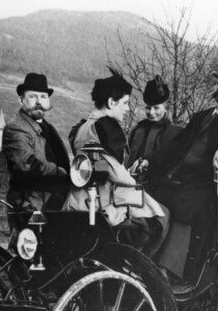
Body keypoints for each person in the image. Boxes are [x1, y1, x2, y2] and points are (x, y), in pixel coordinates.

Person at [144, 61, 218, 280]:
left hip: (208, 184)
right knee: (151, 200)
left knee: (183, 206)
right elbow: (176, 146)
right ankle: (145, 263)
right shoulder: (201, 116)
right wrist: (149, 162)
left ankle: (166, 272)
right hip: (179, 178)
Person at [63, 70, 168, 255]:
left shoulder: (81, 127)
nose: (128, 109)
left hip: (79, 198)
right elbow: (117, 175)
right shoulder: (107, 127)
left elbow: (95, 163)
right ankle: (141, 269)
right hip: (105, 199)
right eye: (125, 103)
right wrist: (131, 176)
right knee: (161, 217)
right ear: (112, 102)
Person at [1, 73, 72, 231]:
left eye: (43, 96)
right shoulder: (16, 128)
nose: (39, 102)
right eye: (33, 96)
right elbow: (27, 164)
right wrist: (61, 172)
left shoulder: (46, 128)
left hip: (51, 201)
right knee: (26, 250)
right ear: (21, 100)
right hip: (29, 204)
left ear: (48, 101)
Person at [126, 76, 183, 176]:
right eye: (148, 108)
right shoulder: (137, 130)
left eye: (156, 108)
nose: (151, 112)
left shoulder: (175, 132)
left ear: (166, 108)